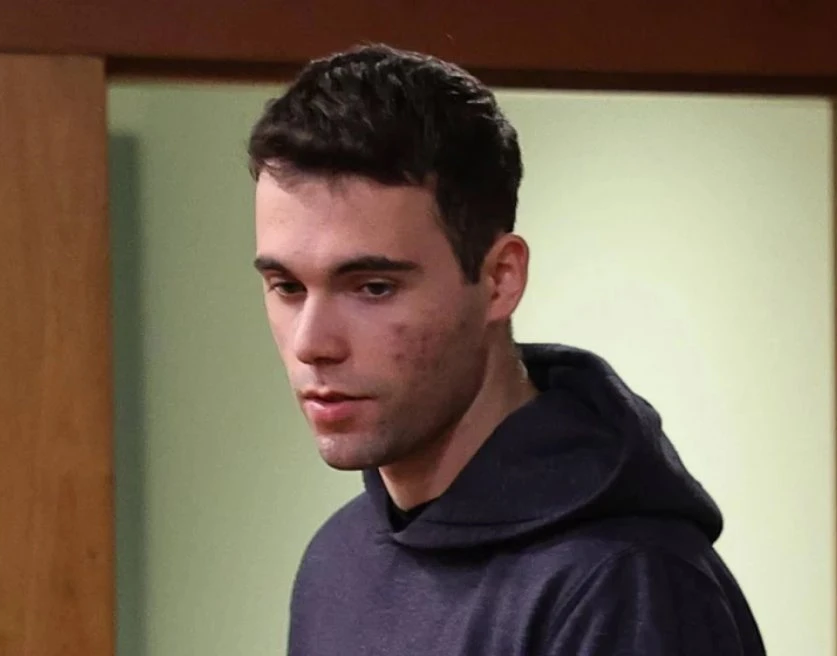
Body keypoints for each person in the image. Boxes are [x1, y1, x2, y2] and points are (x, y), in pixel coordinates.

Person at [246, 43, 765, 656]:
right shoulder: (338, 561)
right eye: (287, 287)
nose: (312, 344)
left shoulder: (626, 583)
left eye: (374, 287)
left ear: (499, 279)